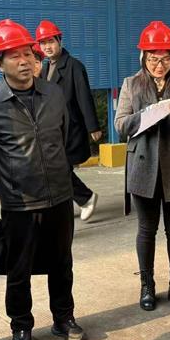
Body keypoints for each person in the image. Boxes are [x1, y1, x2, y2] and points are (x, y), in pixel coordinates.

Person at [0, 19, 85, 340]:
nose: (24, 61)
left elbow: (62, 136)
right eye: (14, 56)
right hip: (19, 202)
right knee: (18, 270)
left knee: (62, 262)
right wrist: (11, 179)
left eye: (27, 53)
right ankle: (21, 327)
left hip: (59, 194)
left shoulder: (53, 94)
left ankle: (64, 318)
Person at [114, 21, 170, 312]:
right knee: (146, 229)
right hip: (144, 166)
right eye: (153, 59)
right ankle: (147, 285)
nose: (159, 65)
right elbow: (120, 126)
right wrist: (145, 115)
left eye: (165, 59)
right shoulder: (131, 85)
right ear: (143, 57)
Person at [36, 20, 102, 221]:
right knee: (55, 170)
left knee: (60, 169)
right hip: (52, 130)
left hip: (70, 128)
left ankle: (86, 198)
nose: (47, 47)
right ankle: (67, 204)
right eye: (43, 43)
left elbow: (84, 97)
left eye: (51, 41)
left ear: (60, 41)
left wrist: (93, 126)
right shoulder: (44, 68)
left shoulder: (74, 66)